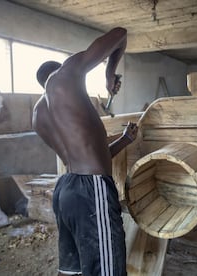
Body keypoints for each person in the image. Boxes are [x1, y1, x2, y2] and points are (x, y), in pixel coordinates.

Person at [32, 27, 137, 276]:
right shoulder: (67, 73)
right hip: (92, 192)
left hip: (66, 191)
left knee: (73, 271)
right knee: (107, 270)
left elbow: (84, 157)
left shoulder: (38, 116)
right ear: (63, 68)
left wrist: (124, 140)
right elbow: (120, 34)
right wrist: (109, 73)